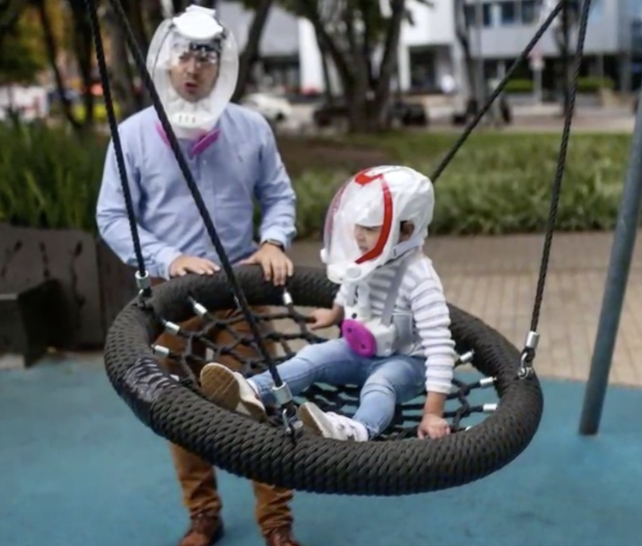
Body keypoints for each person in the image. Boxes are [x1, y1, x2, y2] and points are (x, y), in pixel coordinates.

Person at [94, 6, 302, 546]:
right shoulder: (132, 135)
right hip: (171, 301)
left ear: (221, 65)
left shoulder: (250, 128)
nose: (193, 68)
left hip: (240, 293)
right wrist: (167, 259)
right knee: (180, 411)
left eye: (206, 57)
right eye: (184, 55)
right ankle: (203, 514)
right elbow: (112, 216)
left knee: (260, 406)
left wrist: (273, 240)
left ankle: (277, 523)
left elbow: (279, 196)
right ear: (165, 60)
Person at [199, 165, 456, 442]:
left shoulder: (420, 278)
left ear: (405, 231)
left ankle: (357, 430)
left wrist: (433, 412)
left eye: (370, 228)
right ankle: (252, 392)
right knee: (312, 357)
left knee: (380, 385)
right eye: (357, 225)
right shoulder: (369, 256)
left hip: (406, 362)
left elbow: (440, 348)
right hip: (359, 351)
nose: (358, 235)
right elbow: (351, 282)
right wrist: (335, 312)